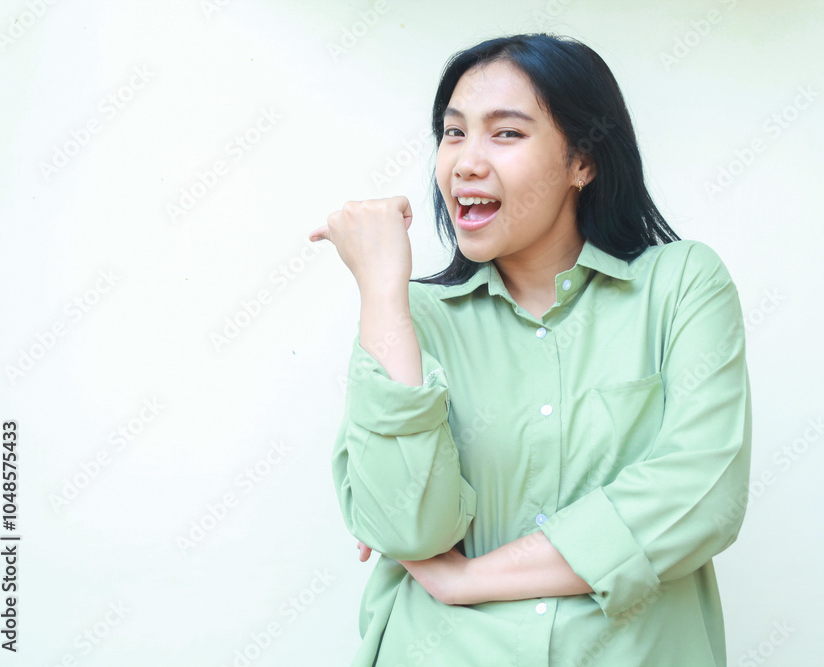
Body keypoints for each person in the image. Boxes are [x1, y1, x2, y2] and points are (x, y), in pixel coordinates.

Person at [310, 32, 752, 667]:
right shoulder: (413, 322)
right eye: (453, 132)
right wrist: (383, 294)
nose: (464, 161)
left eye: (506, 133)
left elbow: (701, 496)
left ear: (583, 161)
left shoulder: (681, 285)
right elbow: (404, 527)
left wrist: (469, 579)